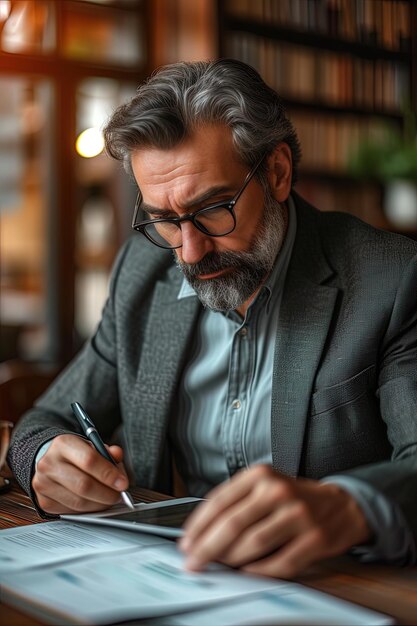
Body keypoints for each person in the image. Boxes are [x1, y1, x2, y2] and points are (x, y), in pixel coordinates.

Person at [8, 59, 417, 579]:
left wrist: (348, 505)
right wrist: (42, 457)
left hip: (328, 587)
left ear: (277, 172)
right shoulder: (142, 272)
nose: (192, 250)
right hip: (161, 579)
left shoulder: (391, 279)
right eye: (164, 220)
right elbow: (44, 421)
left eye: (213, 208)